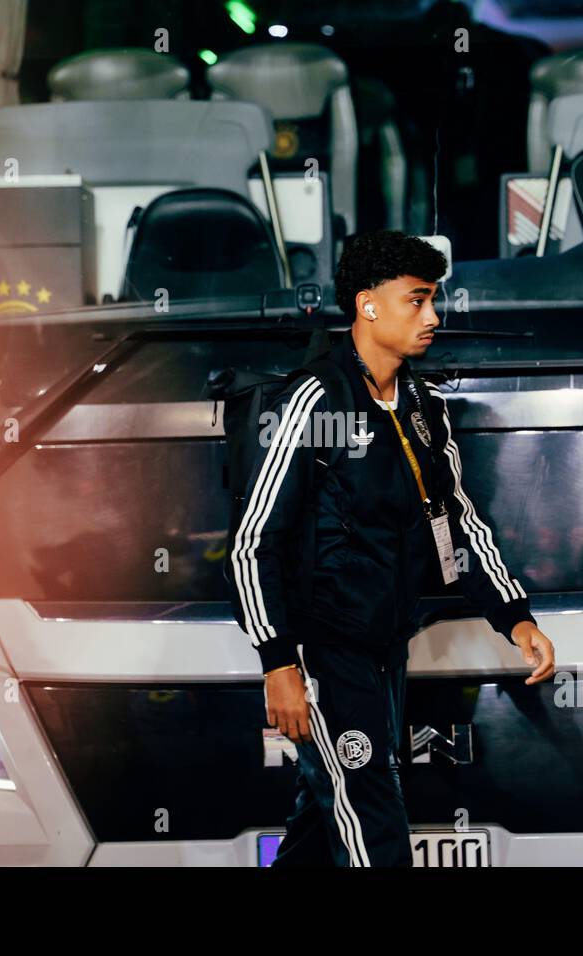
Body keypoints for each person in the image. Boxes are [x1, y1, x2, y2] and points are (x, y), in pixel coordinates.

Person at [231, 230, 555, 867]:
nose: (432, 317)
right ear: (367, 305)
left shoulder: (424, 409)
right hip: (325, 649)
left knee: (323, 821)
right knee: (370, 819)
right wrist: (277, 663)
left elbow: (459, 521)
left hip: (386, 644)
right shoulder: (316, 402)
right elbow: (252, 542)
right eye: (417, 300)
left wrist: (515, 617)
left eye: (434, 300)